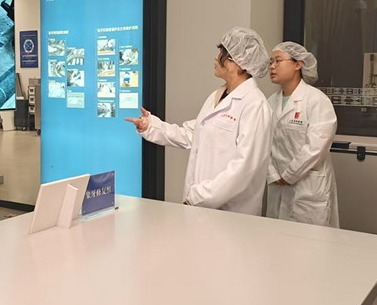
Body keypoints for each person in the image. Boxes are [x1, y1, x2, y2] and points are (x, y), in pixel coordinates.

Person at [124, 27, 272, 215]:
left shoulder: (255, 105)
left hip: (231, 214)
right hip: (202, 207)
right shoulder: (218, 96)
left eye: (221, 53)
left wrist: (199, 196)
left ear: (238, 62)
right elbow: (192, 134)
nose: (215, 58)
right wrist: (152, 126)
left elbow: (244, 168)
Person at [265, 42, 338, 227]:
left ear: (298, 64)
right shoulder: (270, 102)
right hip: (277, 184)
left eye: (278, 61)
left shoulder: (316, 100)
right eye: (271, 62)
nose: (272, 66)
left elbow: (317, 146)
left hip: (307, 186)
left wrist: (289, 175)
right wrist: (273, 174)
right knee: (276, 237)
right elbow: (263, 142)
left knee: (309, 241)